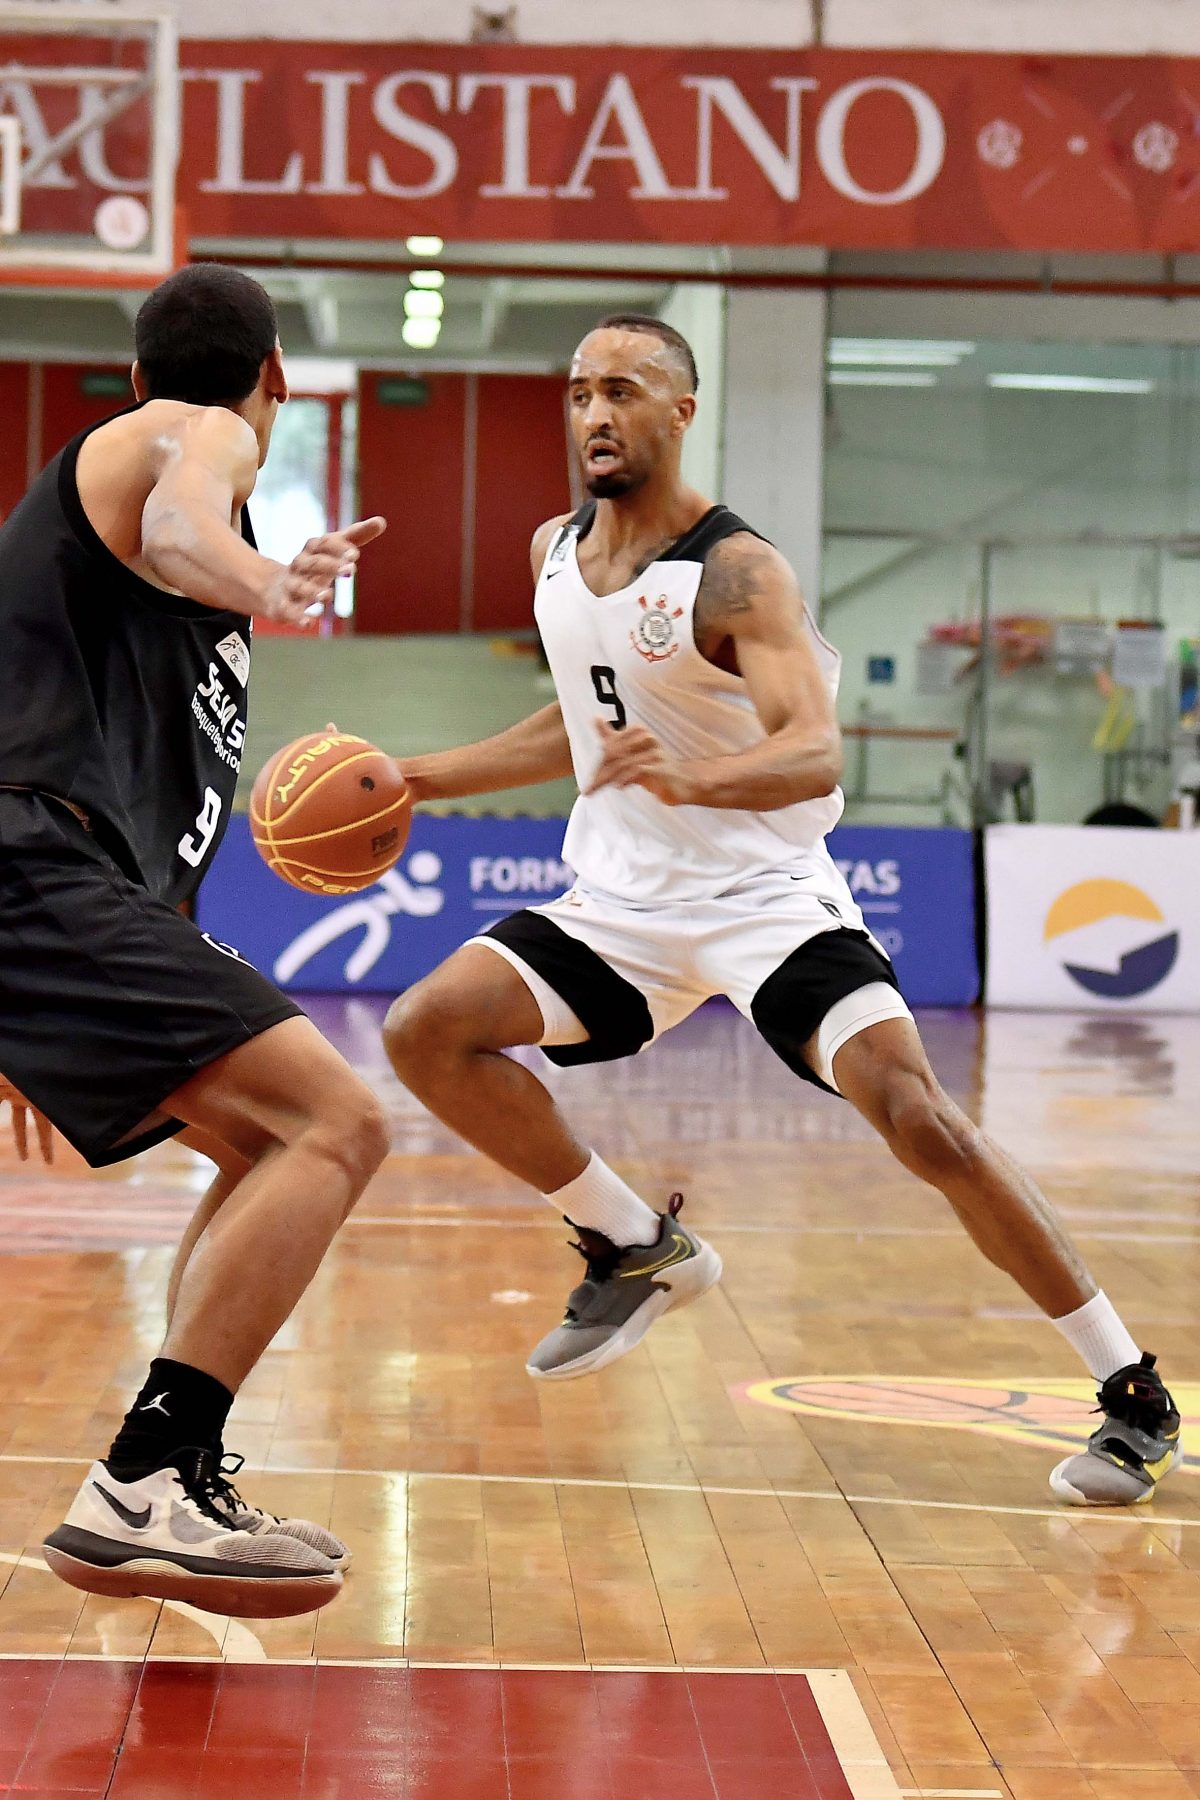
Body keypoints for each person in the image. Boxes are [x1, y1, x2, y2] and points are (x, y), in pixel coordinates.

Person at [384, 313, 1180, 1510]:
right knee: (424, 1031)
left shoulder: (738, 571)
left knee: (920, 1120)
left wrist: (696, 779)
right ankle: (633, 1243)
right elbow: (582, 719)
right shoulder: (555, 549)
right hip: (619, 903)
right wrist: (416, 777)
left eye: (625, 391)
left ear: (681, 412)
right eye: (581, 391)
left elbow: (812, 749)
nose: (596, 413)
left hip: (765, 897)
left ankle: (1131, 1389)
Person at [0, 263, 391, 1616]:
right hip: (32, 865)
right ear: (273, 377)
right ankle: (147, 1477)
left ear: (132, 366)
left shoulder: (119, 542)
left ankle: (169, 1469)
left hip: (61, 884)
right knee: (340, 1121)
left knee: (264, 1138)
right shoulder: (193, 434)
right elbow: (180, 522)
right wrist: (272, 576)